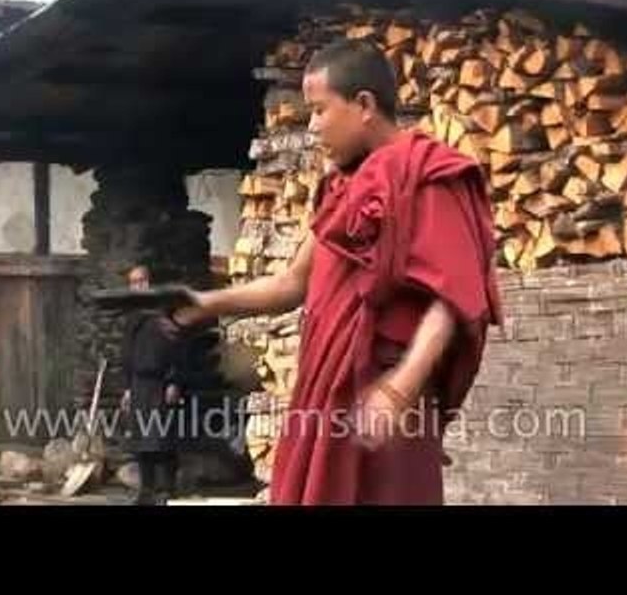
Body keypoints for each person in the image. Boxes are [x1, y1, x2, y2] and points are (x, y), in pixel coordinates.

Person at [172, 38, 502, 505]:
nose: (311, 127)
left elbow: (453, 299)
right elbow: (292, 283)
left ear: (364, 104)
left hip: (387, 400)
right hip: (326, 392)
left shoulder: (428, 177)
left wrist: (401, 386)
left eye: (319, 110)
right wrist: (209, 303)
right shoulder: (342, 190)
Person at [119, 265, 187, 504]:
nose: (139, 286)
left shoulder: (165, 314)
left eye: (142, 281)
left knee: (163, 437)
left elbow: (178, 350)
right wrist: (127, 388)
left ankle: (166, 488)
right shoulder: (132, 317)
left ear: (151, 282)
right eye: (134, 282)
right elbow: (127, 354)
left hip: (161, 383)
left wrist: (174, 381)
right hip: (139, 385)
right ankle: (146, 489)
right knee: (141, 441)